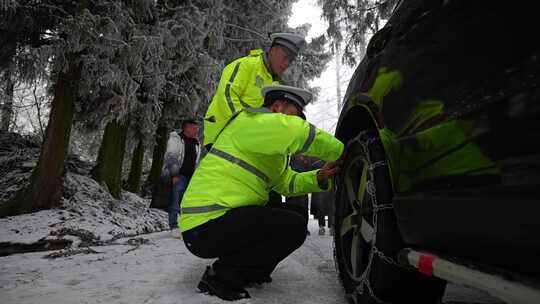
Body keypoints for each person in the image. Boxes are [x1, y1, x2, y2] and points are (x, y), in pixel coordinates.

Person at [179, 85, 344, 301]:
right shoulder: (251, 122)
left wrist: (318, 176)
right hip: (205, 224)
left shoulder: (272, 152)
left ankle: (250, 271)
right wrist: (344, 150)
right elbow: (296, 131)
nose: (297, 122)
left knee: (296, 216)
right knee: (291, 225)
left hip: (223, 220)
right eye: (294, 116)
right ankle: (221, 276)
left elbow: (287, 183)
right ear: (276, 107)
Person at [203, 32, 307, 148]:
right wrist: (245, 126)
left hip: (242, 140)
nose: (287, 63)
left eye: (291, 60)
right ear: (273, 50)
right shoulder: (247, 65)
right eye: (285, 57)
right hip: (220, 134)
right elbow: (227, 93)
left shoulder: (275, 85)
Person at [160, 116, 201, 238]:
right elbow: (171, 156)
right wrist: (174, 174)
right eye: (195, 128)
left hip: (190, 177)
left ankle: (186, 225)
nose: (197, 130)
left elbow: (196, 161)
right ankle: (173, 226)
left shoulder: (196, 142)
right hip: (179, 175)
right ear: (187, 128)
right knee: (175, 201)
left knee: (187, 202)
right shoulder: (176, 139)